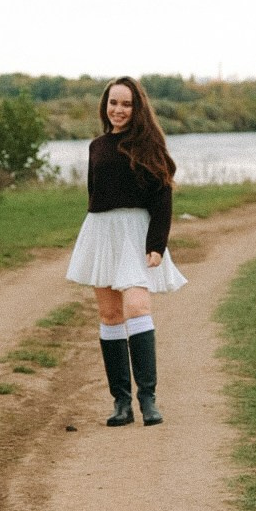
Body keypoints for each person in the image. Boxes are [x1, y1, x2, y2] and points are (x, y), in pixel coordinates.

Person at [65, 76, 186, 426]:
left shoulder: (149, 147)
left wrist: (156, 245)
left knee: (137, 306)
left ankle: (148, 399)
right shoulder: (97, 147)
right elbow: (94, 197)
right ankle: (121, 403)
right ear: (105, 105)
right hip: (101, 232)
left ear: (138, 109)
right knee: (110, 315)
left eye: (126, 104)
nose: (118, 110)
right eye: (113, 103)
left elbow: (163, 198)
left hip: (137, 233)